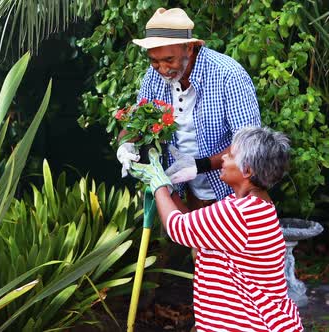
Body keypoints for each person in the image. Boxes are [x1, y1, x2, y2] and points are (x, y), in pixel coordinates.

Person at [128, 126, 303, 332]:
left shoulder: (240, 213)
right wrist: (170, 190)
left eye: (230, 155)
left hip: (248, 324)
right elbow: (193, 224)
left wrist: (157, 183)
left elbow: (177, 227)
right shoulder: (252, 206)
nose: (224, 159)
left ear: (247, 170)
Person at [117, 7, 261, 210]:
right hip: (186, 193)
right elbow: (137, 122)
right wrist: (125, 145)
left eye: (169, 60)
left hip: (233, 193)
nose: (163, 69)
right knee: (193, 241)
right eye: (155, 61)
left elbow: (250, 145)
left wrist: (198, 166)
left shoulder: (228, 75)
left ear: (189, 48)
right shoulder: (153, 75)